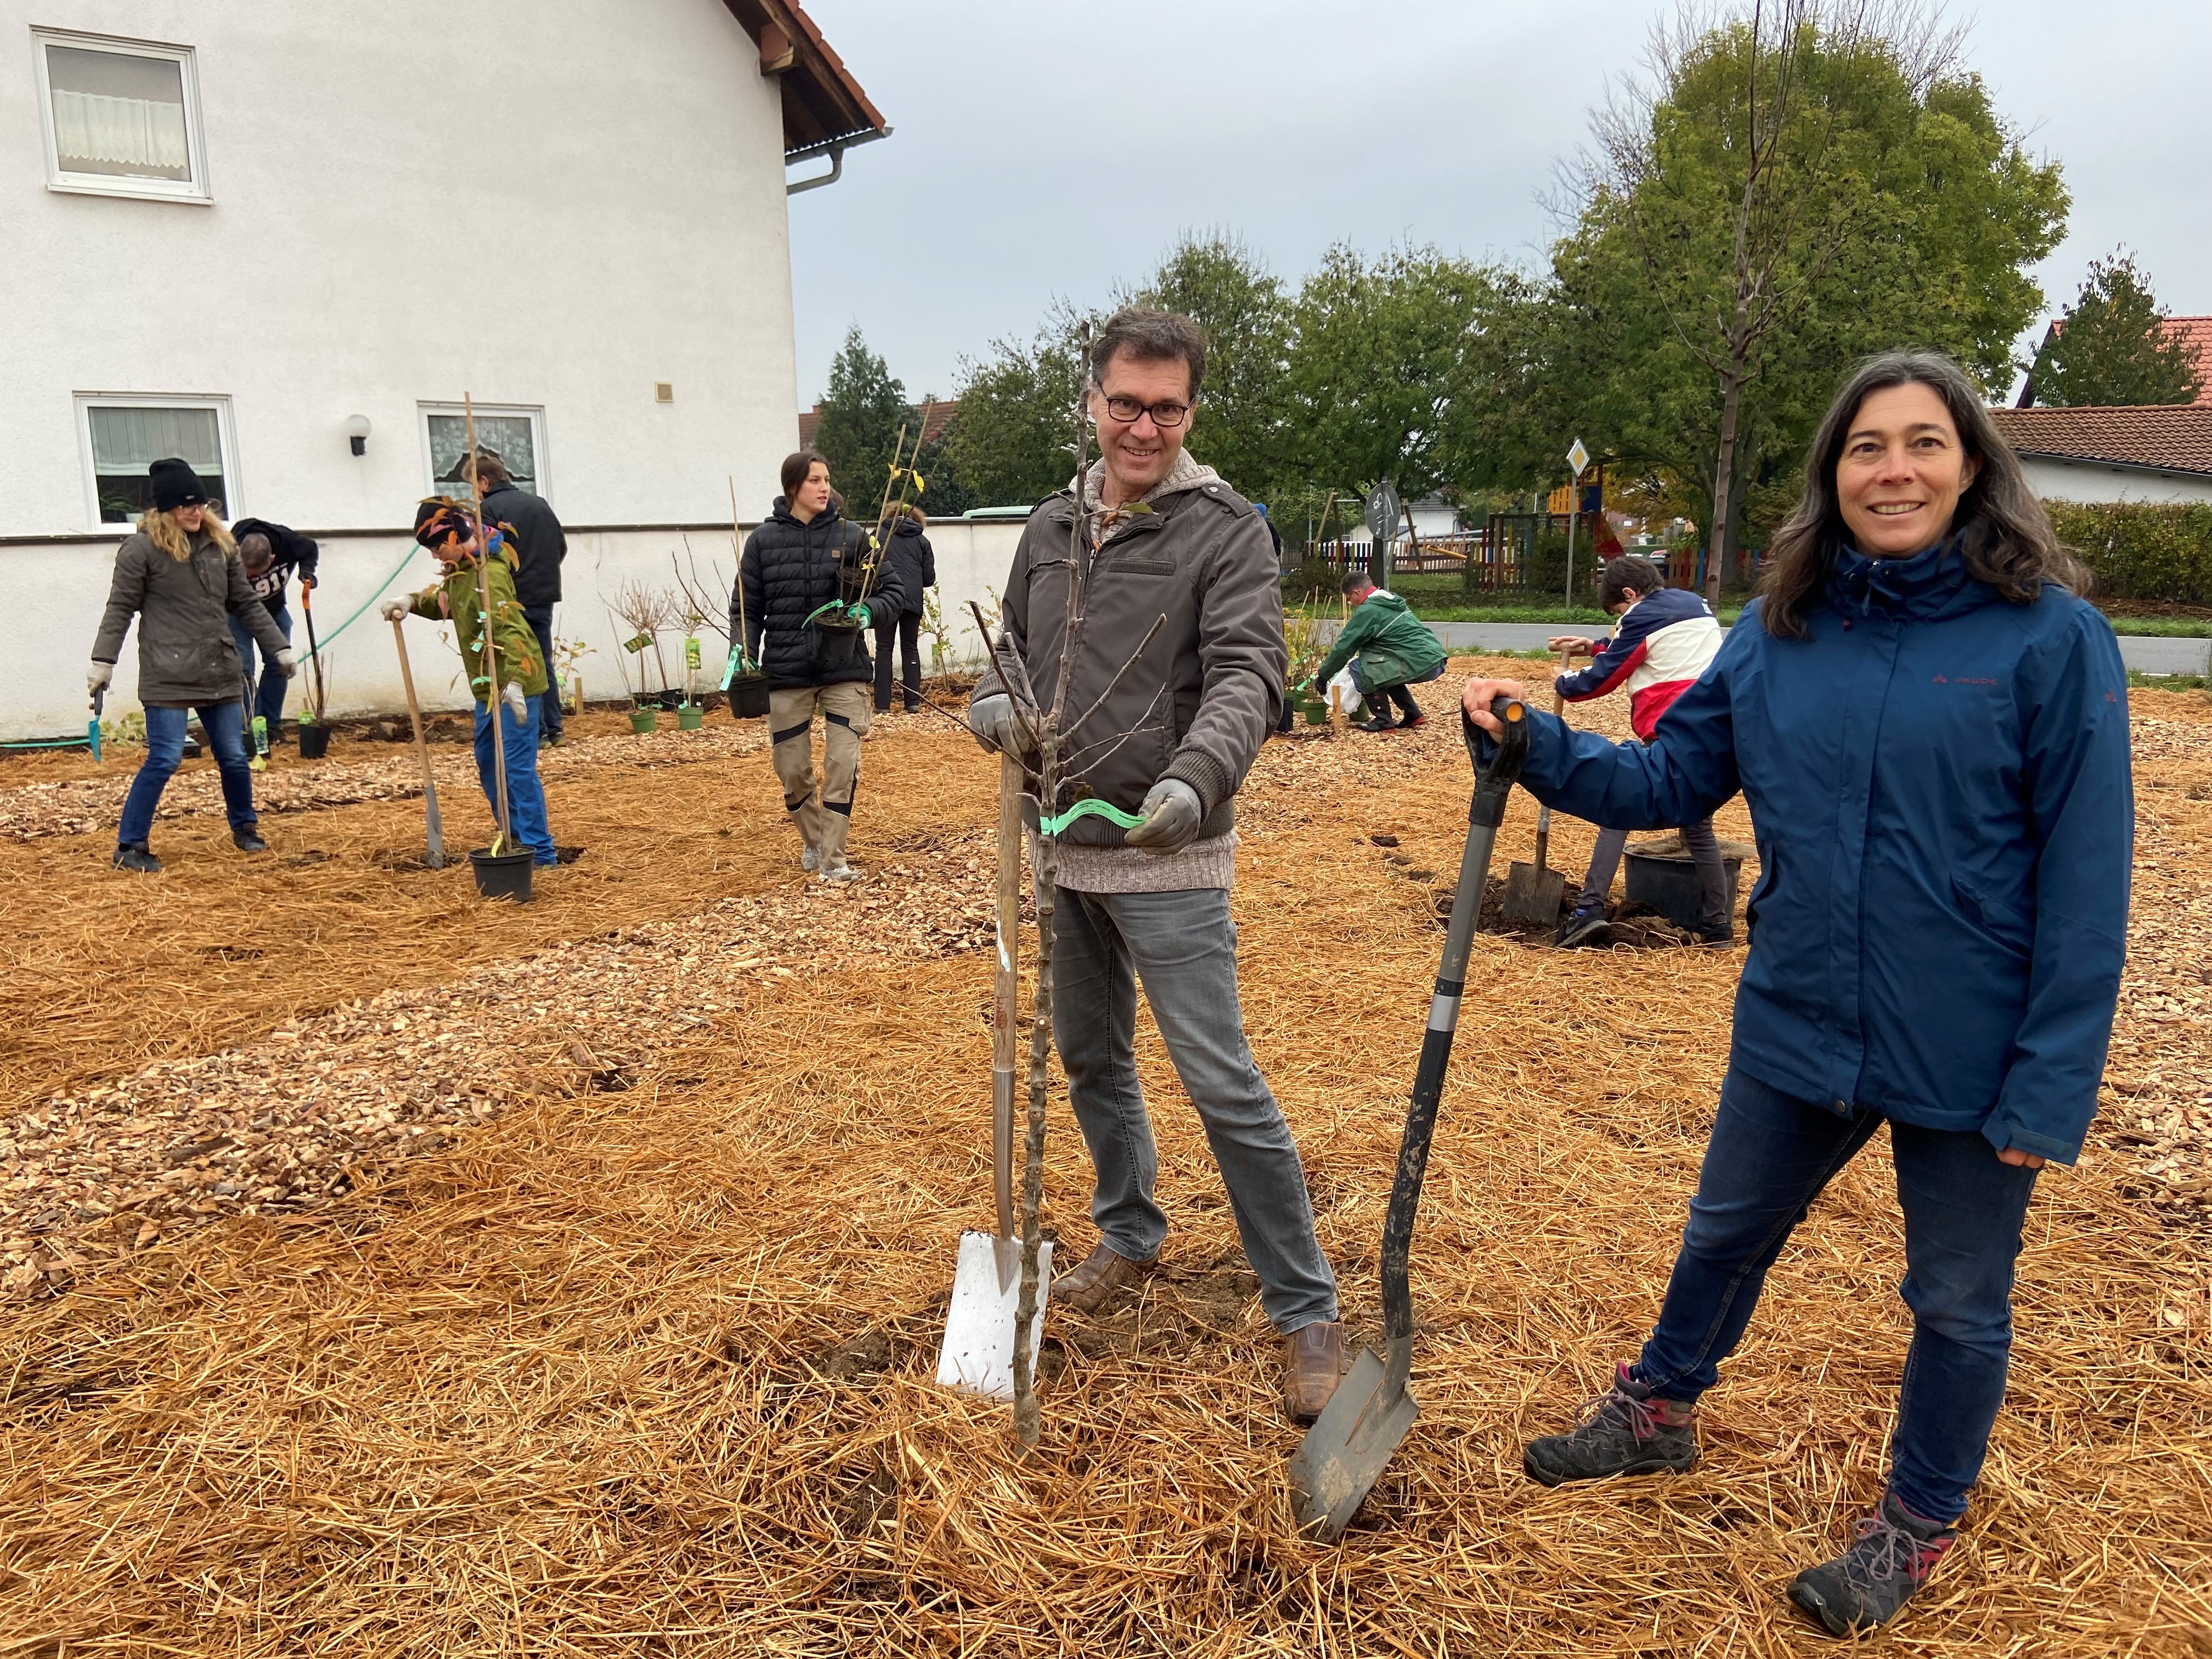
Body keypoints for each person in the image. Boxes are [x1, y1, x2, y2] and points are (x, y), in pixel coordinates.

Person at [1458, 351, 2131, 1637]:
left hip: (1968, 1042)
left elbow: (2088, 886)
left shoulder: (2051, 640)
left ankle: (1916, 1522)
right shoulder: (1781, 633)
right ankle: (1657, 1413)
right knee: (1724, 1233)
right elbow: (1669, 783)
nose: (1895, 470)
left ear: (1971, 466)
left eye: (1923, 443)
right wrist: (1539, 746)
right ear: (1834, 474)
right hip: (1801, 1012)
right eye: (1867, 447)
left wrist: (2050, 1086)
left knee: (1956, 1301)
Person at [968, 307, 1344, 1421]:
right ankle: (1129, 1233)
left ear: (1191, 411)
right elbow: (1013, 652)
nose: (1143, 427)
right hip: (1061, 848)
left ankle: (1306, 1307)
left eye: (1166, 409)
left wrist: (1194, 780)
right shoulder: (1051, 527)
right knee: (1091, 1059)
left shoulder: (1223, 531)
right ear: (1092, 401)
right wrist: (996, 705)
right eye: (1125, 404)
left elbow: (1248, 673)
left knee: (1220, 1081)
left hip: (1168, 854)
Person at [89, 459, 295, 873]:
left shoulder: (221, 546)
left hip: (219, 666)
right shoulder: (141, 550)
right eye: (186, 505)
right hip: (168, 671)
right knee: (165, 758)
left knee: (233, 755)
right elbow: (120, 608)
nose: (195, 511)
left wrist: (279, 648)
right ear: (165, 509)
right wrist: (103, 660)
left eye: (200, 503)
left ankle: (245, 828)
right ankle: (130, 845)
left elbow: (247, 604)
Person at [735, 450, 907, 883]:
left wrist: (866, 612)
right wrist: (744, 651)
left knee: (841, 765)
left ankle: (834, 860)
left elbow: (894, 591)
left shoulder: (853, 537)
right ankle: (814, 842)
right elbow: (745, 608)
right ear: (793, 486)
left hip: (844, 666)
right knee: (792, 770)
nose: (825, 487)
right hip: (786, 670)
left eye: (827, 479)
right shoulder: (762, 542)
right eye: (815, 480)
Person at [1547, 555, 1731, 946]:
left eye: (1619, 611)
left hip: (1673, 732)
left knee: (1619, 806)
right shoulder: (1692, 604)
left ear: (1630, 594)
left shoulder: (1642, 615)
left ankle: (1588, 911)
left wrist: (1565, 681)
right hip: (1714, 736)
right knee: (1698, 827)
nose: (1622, 617)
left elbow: (1604, 678)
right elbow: (1647, 646)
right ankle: (1718, 928)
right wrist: (1596, 646)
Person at [381, 499, 558, 867]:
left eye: (436, 547)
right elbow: (446, 602)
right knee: (489, 763)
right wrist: (412, 601)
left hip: (514, 686)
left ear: (455, 536)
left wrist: (516, 683)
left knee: (516, 769)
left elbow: (511, 630)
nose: (434, 556)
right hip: (487, 688)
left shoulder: (489, 576)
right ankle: (514, 838)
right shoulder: (461, 570)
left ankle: (541, 853)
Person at [460, 449, 568, 747]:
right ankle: (554, 729)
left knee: (518, 660)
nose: (474, 494)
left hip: (510, 597)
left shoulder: (488, 511)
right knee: (542, 659)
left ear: (484, 482)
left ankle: (536, 732)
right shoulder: (539, 504)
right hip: (543, 594)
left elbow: (487, 556)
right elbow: (560, 547)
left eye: (472, 486)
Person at [1307, 569, 1447, 732]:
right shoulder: (1388, 600)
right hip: (1432, 659)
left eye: (1349, 599)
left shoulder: (1369, 610)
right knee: (1385, 671)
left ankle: (1383, 721)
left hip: (1420, 662)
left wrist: (1324, 676)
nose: (1351, 603)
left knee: (1361, 669)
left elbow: (1344, 647)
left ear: (1356, 593)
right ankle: (1413, 715)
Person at [228, 518, 320, 746]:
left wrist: (307, 571)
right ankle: (250, 731)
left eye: (256, 573)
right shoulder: (225, 547)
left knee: (280, 666)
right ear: (238, 553)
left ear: (272, 558)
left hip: (274, 610)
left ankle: (271, 726)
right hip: (235, 614)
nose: (250, 577)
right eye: (246, 571)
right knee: (243, 670)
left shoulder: (288, 542)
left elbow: (310, 548)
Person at [872, 503, 934, 714]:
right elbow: (929, 578)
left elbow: (866, 567)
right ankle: (913, 702)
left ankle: (882, 705)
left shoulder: (878, 537)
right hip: (912, 599)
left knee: (883, 648)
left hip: (885, 599)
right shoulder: (922, 541)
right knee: (910, 647)